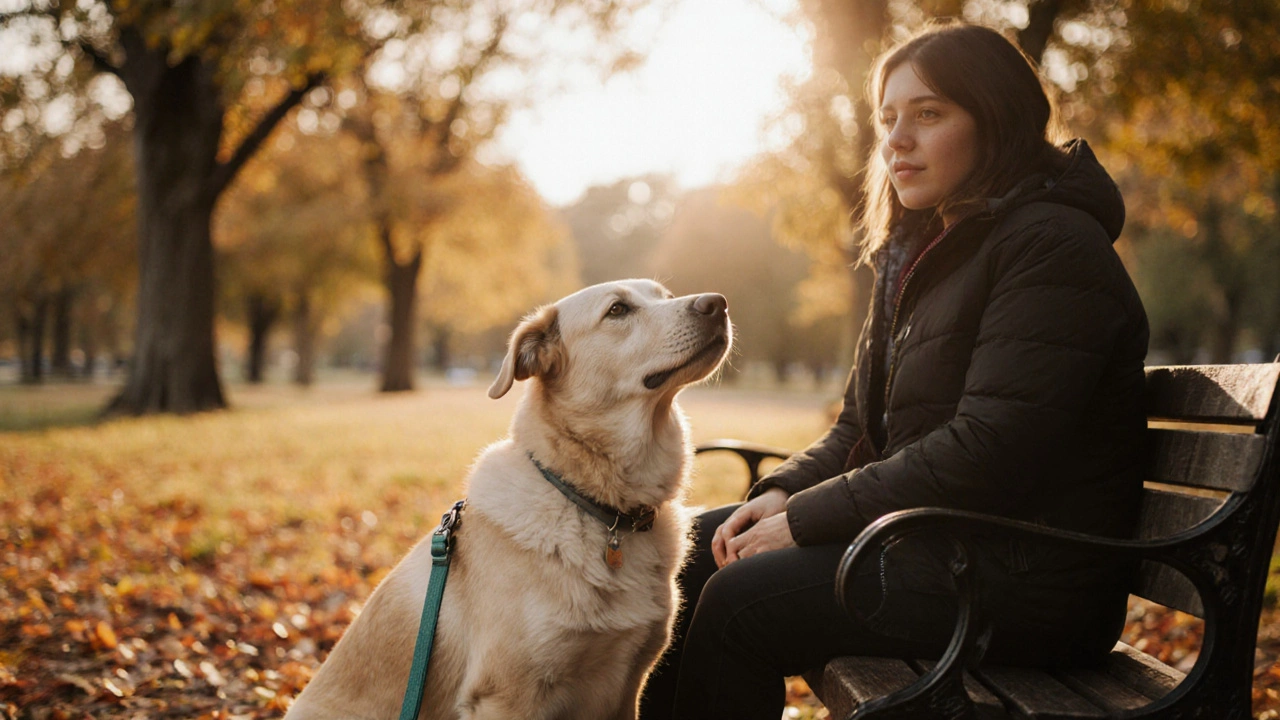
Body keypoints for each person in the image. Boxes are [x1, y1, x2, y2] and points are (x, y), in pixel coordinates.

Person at [638, 20, 1149, 720]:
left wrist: (806, 523)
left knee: (738, 601)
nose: (896, 140)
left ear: (996, 121)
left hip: (1029, 583)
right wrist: (785, 491)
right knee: (687, 558)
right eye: (887, 118)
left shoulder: (1052, 247)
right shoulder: (918, 254)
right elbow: (856, 423)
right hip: (945, 550)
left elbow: (988, 449)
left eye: (928, 114)